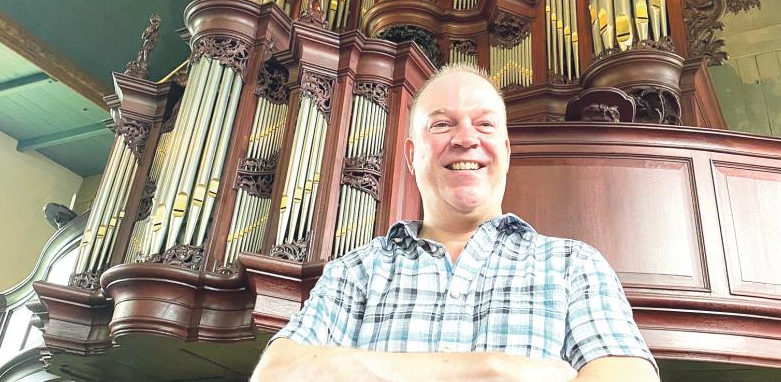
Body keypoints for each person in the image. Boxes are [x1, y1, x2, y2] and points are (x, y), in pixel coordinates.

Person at [251, 64, 658, 381]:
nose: (466, 138)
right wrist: (498, 372)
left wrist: (357, 371)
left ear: (505, 149)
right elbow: (277, 373)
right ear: (412, 155)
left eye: (484, 124)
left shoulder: (574, 264)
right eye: (442, 124)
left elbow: (627, 376)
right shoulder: (356, 271)